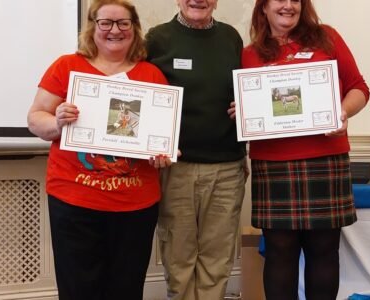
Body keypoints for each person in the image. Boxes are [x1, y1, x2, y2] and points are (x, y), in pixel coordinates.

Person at [27, 1, 171, 299]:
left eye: (123, 24)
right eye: (106, 23)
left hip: (135, 206)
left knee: (126, 289)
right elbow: (35, 119)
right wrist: (57, 121)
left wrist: (160, 154)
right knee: (78, 289)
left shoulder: (151, 75)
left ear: (135, 28)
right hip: (75, 202)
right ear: (93, 27)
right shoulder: (67, 66)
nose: (114, 31)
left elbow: (160, 137)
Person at [240, 0, 370, 299]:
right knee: (278, 252)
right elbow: (249, 103)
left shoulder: (327, 37)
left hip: (325, 158)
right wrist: (243, 109)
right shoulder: (250, 54)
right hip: (273, 163)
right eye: (279, 0)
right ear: (263, 8)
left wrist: (342, 112)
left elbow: (359, 88)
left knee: (324, 250)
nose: (288, 5)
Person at [145, 1, 247, 299]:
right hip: (177, 166)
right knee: (179, 253)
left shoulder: (231, 38)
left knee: (218, 254)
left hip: (228, 166)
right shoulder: (157, 38)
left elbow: (243, 91)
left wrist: (247, 108)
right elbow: (141, 88)